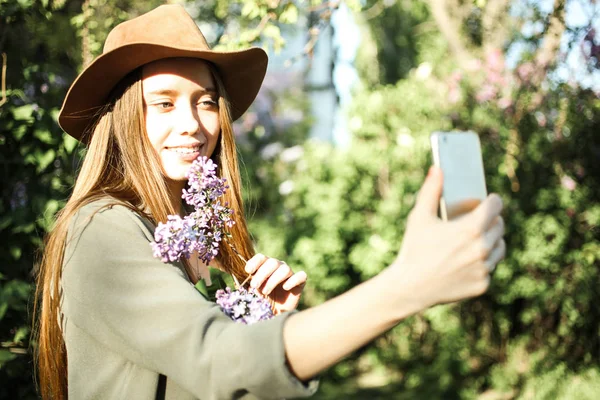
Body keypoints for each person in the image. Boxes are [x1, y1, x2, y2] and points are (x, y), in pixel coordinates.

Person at [34, 4, 506, 400]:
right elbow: (217, 360)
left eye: (204, 101)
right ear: (121, 120)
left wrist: (261, 326)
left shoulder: (180, 240)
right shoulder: (103, 227)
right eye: (162, 103)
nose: (193, 125)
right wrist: (406, 285)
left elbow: (218, 375)